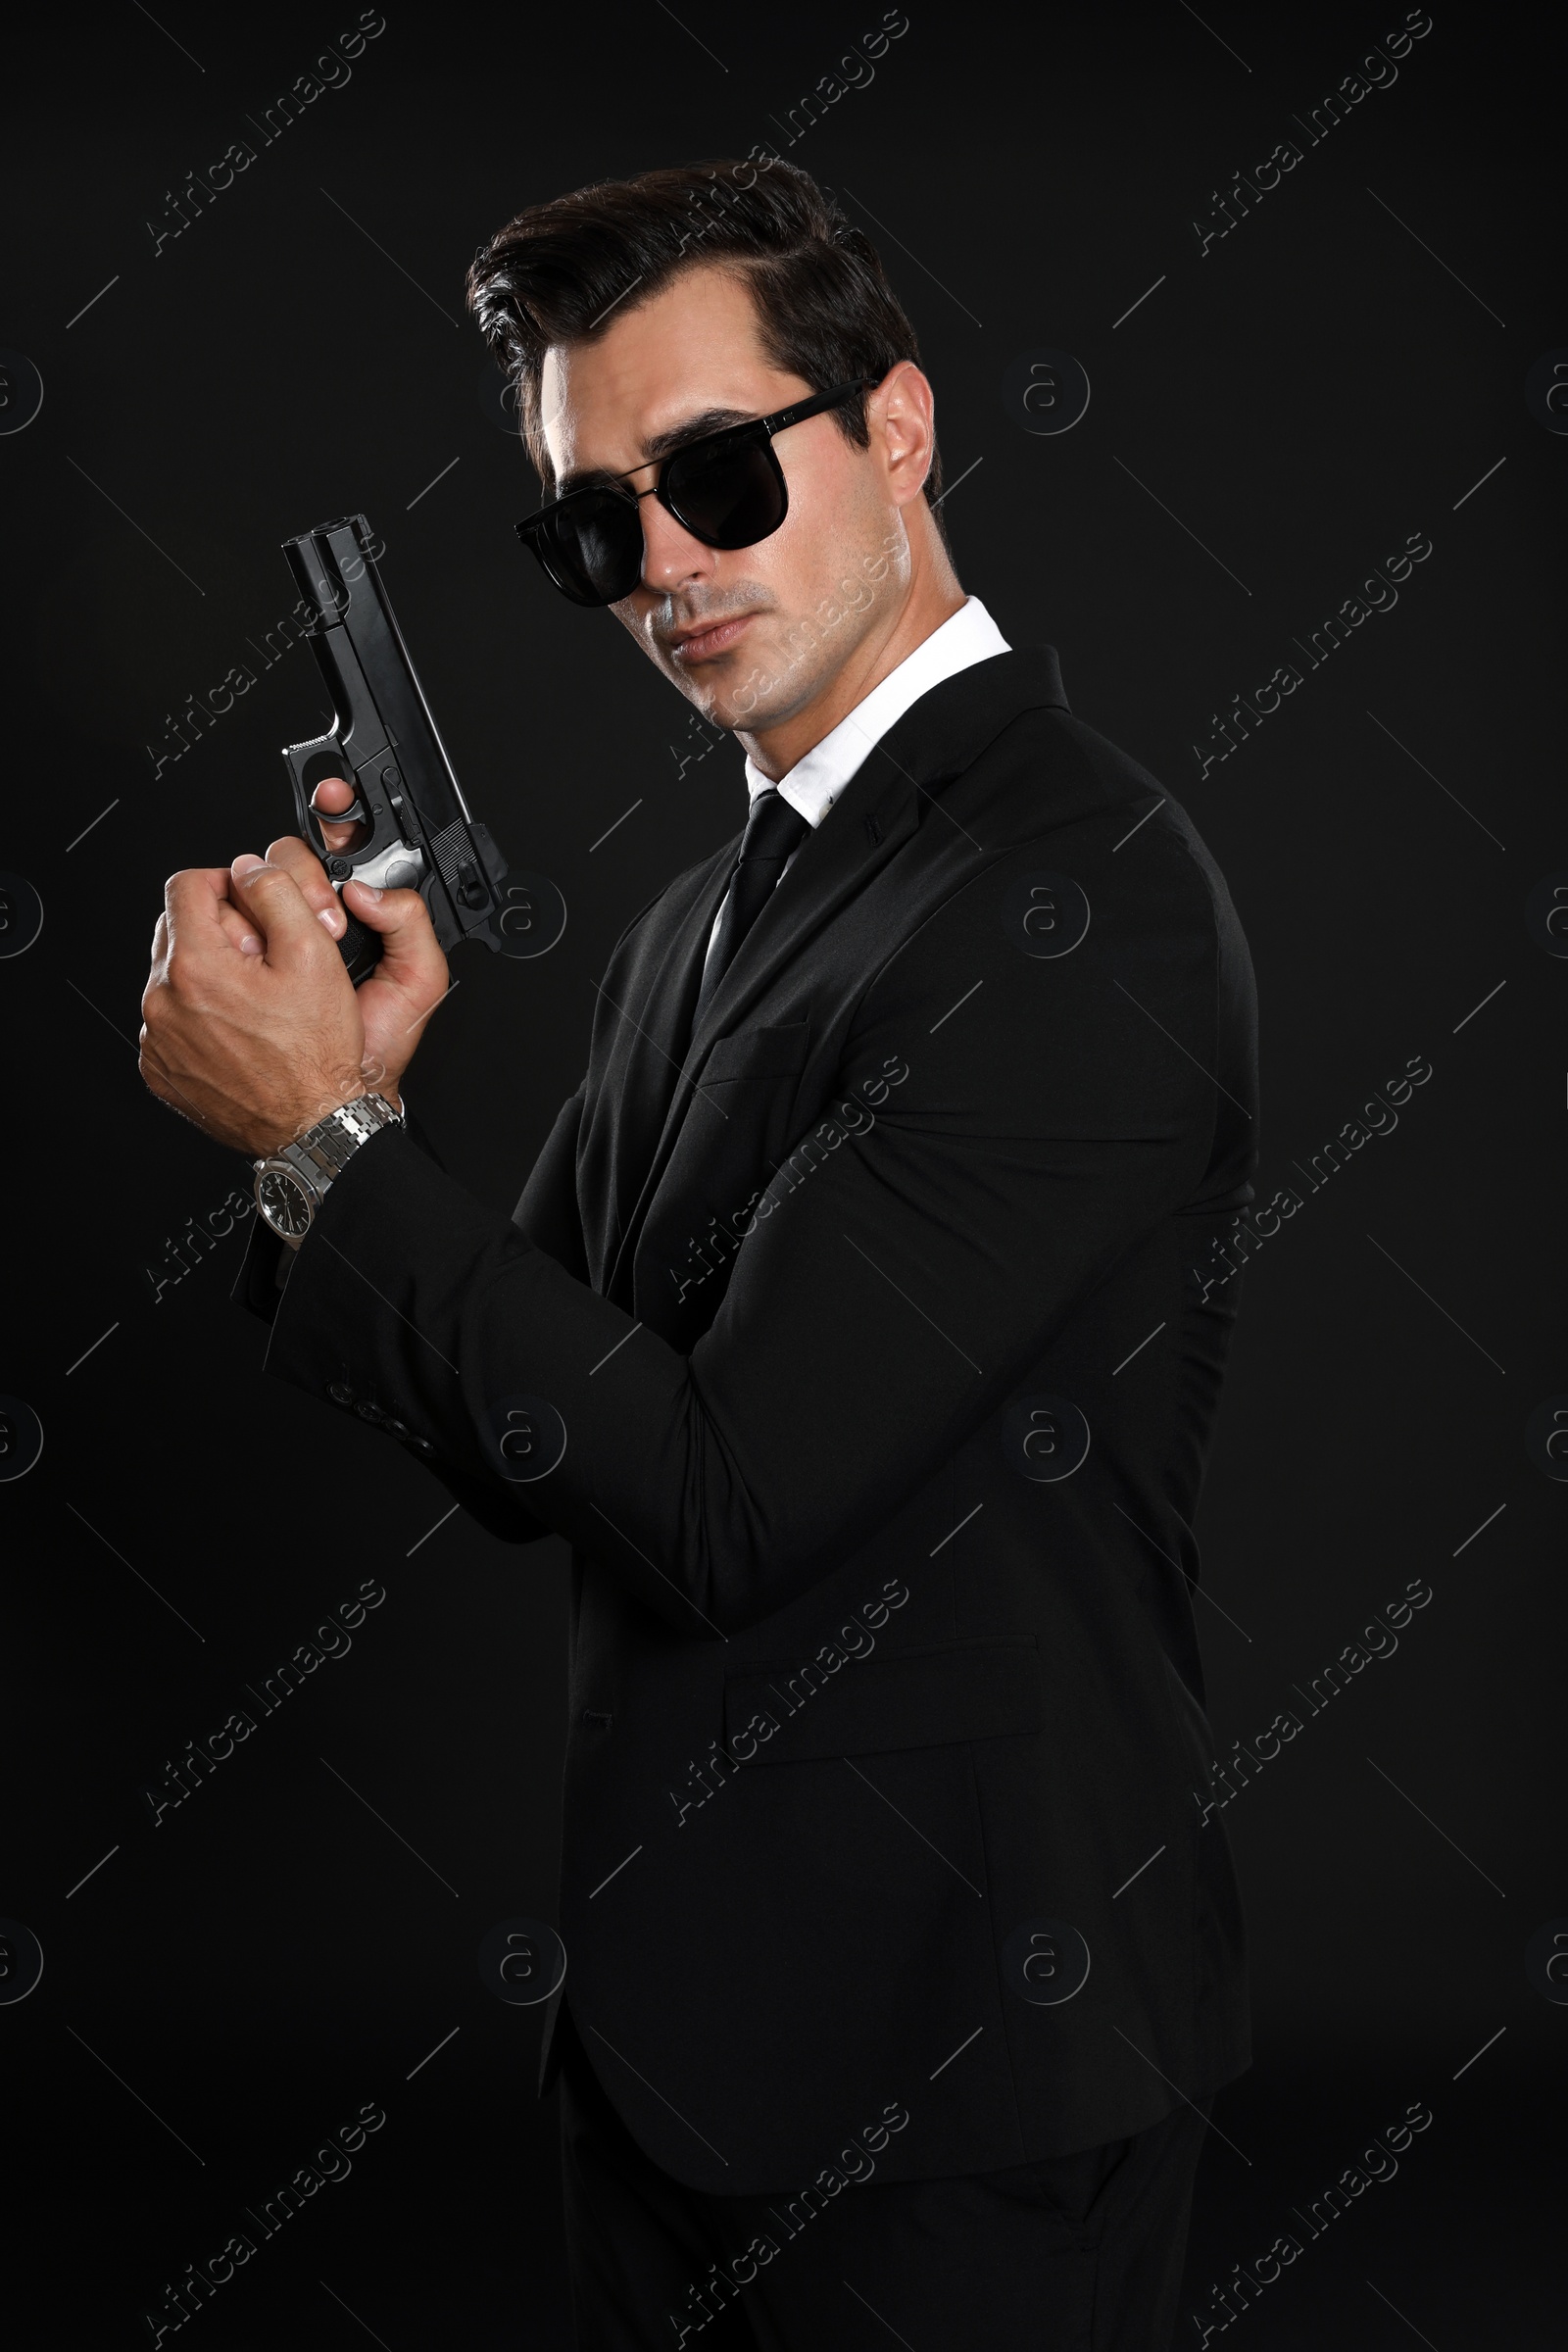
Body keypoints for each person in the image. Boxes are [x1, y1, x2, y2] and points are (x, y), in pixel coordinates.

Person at [138, 157, 1258, 2350]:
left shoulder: (1072, 901)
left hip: (957, 2090)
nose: (659, 561)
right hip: (675, 2069)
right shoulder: (711, 918)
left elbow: (721, 1500)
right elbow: (525, 1437)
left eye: (716, 471)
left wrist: (327, 1138)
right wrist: (353, 1106)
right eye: (592, 524)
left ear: (898, 431)